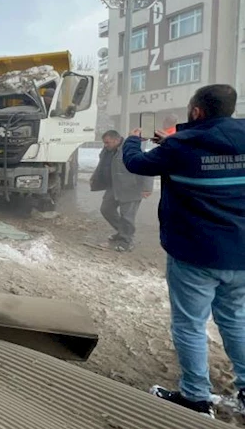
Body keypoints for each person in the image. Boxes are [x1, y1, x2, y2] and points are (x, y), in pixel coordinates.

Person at [122, 84, 245, 419]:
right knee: (236, 320)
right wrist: (173, 143)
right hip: (241, 254)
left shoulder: (181, 146)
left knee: (190, 325)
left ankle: (195, 398)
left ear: (196, 111)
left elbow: (136, 163)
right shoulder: (187, 144)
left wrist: (133, 140)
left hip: (195, 254)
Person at [90, 130, 153, 252]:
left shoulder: (130, 149)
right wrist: (94, 177)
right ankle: (122, 232)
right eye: (104, 143)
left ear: (117, 140)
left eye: (107, 142)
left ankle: (126, 241)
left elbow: (147, 166)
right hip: (114, 187)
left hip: (131, 188)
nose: (105, 145)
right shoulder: (107, 150)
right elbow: (102, 165)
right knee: (106, 209)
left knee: (127, 217)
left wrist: (147, 187)